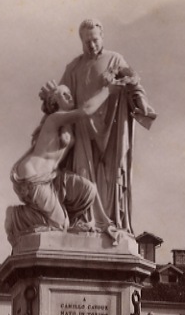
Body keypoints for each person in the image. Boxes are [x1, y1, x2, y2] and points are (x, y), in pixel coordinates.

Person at [44, 19, 156, 233]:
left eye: (95, 40)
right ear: (81, 41)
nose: (92, 45)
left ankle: (108, 222)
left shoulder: (115, 59)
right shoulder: (74, 67)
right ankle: (85, 221)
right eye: (87, 41)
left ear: (101, 37)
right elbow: (60, 95)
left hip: (112, 128)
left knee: (109, 179)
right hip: (83, 130)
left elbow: (134, 83)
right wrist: (50, 97)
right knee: (82, 175)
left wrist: (142, 103)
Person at [5, 82, 117, 244]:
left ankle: (62, 218)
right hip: (33, 175)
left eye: (70, 93)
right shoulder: (54, 118)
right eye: (64, 94)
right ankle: (16, 216)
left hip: (52, 177)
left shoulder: (68, 121)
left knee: (88, 190)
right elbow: (86, 110)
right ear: (54, 102)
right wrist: (108, 90)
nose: (69, 96)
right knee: (59, 226)